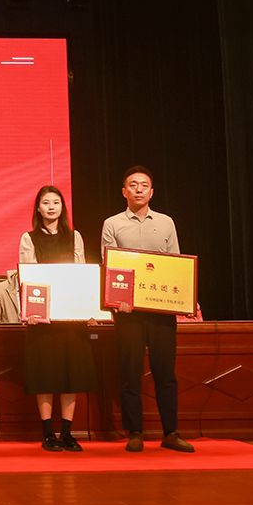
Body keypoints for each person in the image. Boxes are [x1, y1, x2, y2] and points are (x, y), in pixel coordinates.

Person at [100, 166, 194, 454]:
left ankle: (171, 432)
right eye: (133, 184)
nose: (138, 189)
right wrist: (117, 298)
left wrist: (184, 298)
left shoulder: (166, 223)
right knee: (129, 372)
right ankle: (135, 432)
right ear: (124, 191)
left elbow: (176, 264)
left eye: (144, 185)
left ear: (151, 192)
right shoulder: (112, 224)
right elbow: (110, 266)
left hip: (161, 312)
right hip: (128, 312)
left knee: (165, 372)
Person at [18, 186, 94, 453]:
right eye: (46, 202)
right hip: (43, 318)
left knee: (72, 374)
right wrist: (31, 311)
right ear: (38, 208)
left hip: (71, 316)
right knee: (46, 374)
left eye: (56, 202)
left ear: (63, 207)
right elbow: (28, 277)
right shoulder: (29, 238)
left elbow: (82, 275)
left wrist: (88, 310)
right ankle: (48, 433)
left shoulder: (75, 237)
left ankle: (67, 433)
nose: (51, 207)